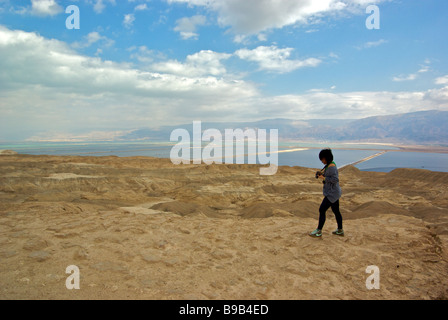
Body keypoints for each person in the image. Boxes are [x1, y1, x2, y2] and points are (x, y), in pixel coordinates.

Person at [309, 149, 344, 238]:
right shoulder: (329, 165)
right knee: (336, 211)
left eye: (322, 159)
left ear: (326, 158)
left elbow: (335, 180)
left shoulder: (331, 167)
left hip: (332, 193)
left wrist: (323, 178)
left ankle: (319, 231)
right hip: (334, 193)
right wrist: (322, 174)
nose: (321, 161)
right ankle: (340, 230)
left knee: (322, 210)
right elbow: (329, 176)